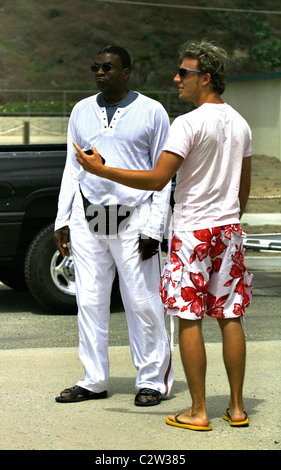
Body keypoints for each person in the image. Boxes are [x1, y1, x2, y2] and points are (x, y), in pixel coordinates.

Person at [73, 39, 253, 430]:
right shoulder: (240, 122)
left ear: (205, 78)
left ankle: (199, 410)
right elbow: (243, 190)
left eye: (184, 73)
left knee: (188, 319)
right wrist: (228, 218)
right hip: (228, 229)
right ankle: (237, 409)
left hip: (192, 232)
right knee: (230, 316)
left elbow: (157, 179)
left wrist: (103, 171)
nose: (177, 79)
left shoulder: (186, 123)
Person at [54, 45, 173, 406]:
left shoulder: (152, 112)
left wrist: (155, 227)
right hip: (88, 216)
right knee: (89, 301)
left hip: (133, 216)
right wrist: (63, 218)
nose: (100, 73)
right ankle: (93, 379)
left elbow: (162, 176)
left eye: (108, 67)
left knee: (142, 301)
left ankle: (152, 379)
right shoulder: (81, 110)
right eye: (96, 67)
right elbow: (72, 167)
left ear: (126, 71)